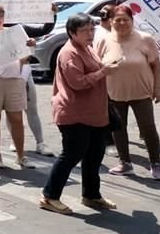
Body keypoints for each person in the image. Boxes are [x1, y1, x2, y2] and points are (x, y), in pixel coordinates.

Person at [39, 14, 118, 215]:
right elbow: (78, 83)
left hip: (95, 113)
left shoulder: (88, 48)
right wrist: (103, 72)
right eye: (85, 30)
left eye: (92, 29)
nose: (90, 34)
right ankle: (49, 196)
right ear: (72, 33)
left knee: (94, 155)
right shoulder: (69, 53)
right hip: (73, 113)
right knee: (71, 155)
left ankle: (91, 195)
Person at [0, 0, 49, 169]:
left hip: (13, 79)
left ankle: (21, 156)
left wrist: (30, 48)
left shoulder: (15, 33)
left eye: (0, 15)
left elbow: (25, 58)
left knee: (17, 119)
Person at [95, 4, 160, 180]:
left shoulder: (145, 39)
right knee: (118, 129)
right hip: (115, 93)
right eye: (117, 20)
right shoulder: (104, 40)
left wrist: (157, 89)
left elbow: (156, 65)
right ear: (110, 22)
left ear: (132, 21)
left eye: (125, 20)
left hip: (141, 92)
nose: (121, 23)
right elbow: (97, 65)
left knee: (148, 128)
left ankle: (156, 163)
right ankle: (125, 163)